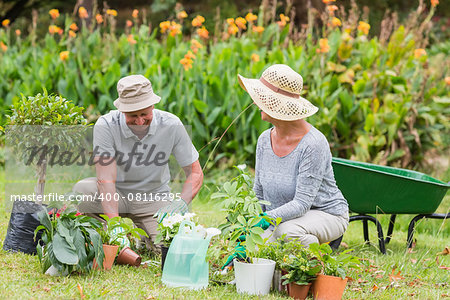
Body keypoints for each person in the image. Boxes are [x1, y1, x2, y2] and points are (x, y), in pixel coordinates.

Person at [74, 74, 203, 250]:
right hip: (117, 195)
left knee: (169, 248)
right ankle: (108, 239)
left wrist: (180, 202)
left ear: (153, 105)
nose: (140, 121)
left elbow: (195, 172)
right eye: (132, 115)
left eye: (145, 114)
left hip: (153, 198)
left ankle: (143, 236)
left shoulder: (172, 124)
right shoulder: (106, 125)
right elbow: (106, 180)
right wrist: (114, 226)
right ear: (122, 111)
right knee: (82, 191)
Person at [237, 64, 349, 246]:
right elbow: (258, 191)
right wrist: (251, 229)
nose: (256, 102)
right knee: (254, 248)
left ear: (279, 105)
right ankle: (301, 248)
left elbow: (302, 203)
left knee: (286, 234)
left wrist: (267, 219)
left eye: (263, 97)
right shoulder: (264, 140)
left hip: (326, 214)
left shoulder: (313, 144)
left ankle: (323, 249)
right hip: (282, 220)